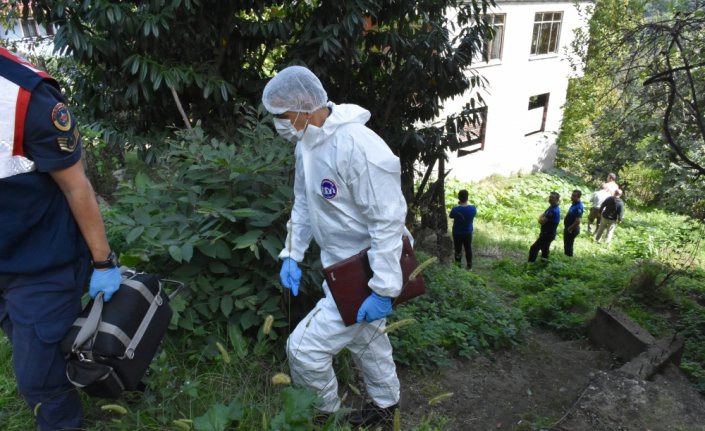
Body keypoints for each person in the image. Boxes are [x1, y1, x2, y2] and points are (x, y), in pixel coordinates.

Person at [262, 65, 405, 428]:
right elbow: (304, 204)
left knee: (303, 350)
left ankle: (328, 416)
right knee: (368, 342)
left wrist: (384, 287)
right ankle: (387, 409)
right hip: (340, 269)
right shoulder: (306, 146)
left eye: (282, 115)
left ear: (307, 104)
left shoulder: (357, 144)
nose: (278, 123)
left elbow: (387, 219)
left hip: (366, 270)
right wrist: (293, 252)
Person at [0, 48, 122, 430]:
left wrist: (103, 261)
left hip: (40, 264)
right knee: (27, 345)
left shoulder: (26, 97)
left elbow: (76, 187)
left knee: (41, 380)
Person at [528, 192, 561, 262]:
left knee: (534, 248)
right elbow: (542, 216)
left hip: (547, 234)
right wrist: (541, 217)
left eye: (553, 197)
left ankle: (530, 265)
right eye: (550, 197)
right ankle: (544, 265)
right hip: (547, 233)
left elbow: (541, 221)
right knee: (545, 249)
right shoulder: (552, 207)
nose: (550, 199)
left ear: (557, 200)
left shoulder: (553, 211)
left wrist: (540, 218)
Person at [449, 189, 477, 270]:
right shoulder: (473, 208)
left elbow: (451, 216)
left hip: (457, 233)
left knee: (458, 250)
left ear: (459, 198)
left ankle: (458, 267)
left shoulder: (455, 209)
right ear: (467, 198)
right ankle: (469, 266)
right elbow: (473, 214)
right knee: (468, 248)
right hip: (468, 233)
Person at [563, 190, 584, 257]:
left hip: (572, 228)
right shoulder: (574, 204)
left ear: (578, 197)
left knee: (569, 244)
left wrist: (570, 228)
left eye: (574, 196)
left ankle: (568, 257)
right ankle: (566, 256)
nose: (572, 197)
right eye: (572, 195)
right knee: (566, 244)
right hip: (568, 227)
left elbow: (578, 221)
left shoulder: (579, 207)